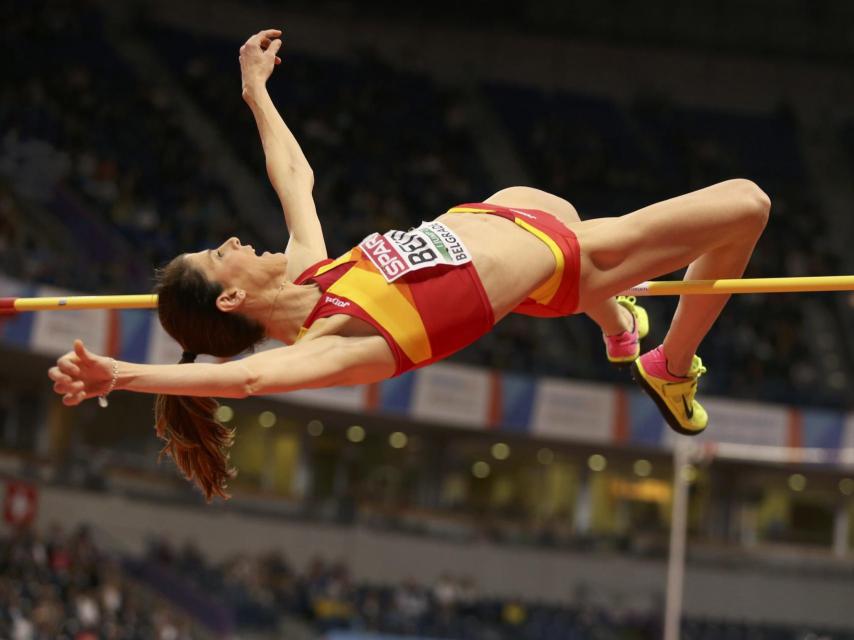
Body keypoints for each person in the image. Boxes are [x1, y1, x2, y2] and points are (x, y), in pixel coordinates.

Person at [48, 29, 771, 500]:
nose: (233, 240)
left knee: (558, 211)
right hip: (564, 265)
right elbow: (245, 377)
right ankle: (668, 364)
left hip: (503, 216)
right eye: (218, 254)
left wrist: (255, 93)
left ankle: (617, 324)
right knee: (747, 205)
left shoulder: (311, 273)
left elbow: (292, 175)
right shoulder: (334, 344)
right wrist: (122, 373)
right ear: (231, 297)